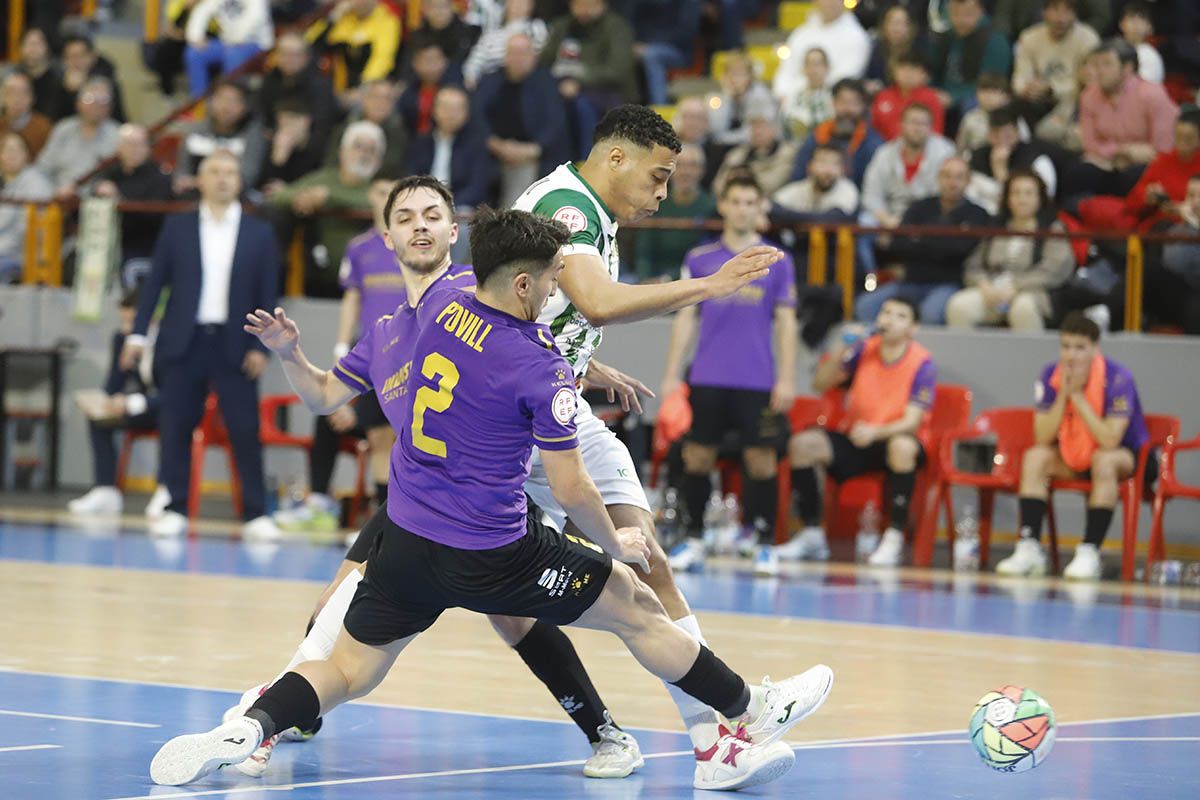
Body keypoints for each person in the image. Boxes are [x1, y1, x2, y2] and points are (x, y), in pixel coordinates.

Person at [150, 206, 832, 792]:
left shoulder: (434, 315)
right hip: (495, 549)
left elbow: (354, 389)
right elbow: (570, 486)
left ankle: (253, 724)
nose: (561, 289)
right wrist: (610, 542)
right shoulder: (537, 366)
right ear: (527, 282)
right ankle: (748, 710)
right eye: (557, 277)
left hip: (407, 543)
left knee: (348, 670)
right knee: (637, 606)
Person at [231, 176, 651, 780]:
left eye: (433, 215)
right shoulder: (389, 329)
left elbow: (536, 326)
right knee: (336, 606)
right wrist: (288, 353)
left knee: (518, 617)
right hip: (417, 493)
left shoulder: (467, 294)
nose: (420, 225)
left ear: (455, 234)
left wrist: (584, 364)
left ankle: (606, 730)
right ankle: (291, 713)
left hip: (490, 489)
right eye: (405, 218)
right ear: (388, 237)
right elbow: (325, 396)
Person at [512, 104, 800, 783]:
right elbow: (599, 302)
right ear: (617, 157)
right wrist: (712, 284)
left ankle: (717, 744)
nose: (663, 193)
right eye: (659, 175)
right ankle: (276, 708)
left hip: (561, 405)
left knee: (650, 565)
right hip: (519, 425)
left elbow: (551, 311)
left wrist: (583, 362)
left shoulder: (589, 211)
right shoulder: (568, 205)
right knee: (423, 594)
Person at [120, 150, 281, 540]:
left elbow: (269, 292)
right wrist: (138, 335)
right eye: (215, 172)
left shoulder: (260, 232)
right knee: (175, 425)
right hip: (184, 340)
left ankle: (256, 512)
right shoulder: (178, 227)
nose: (224, 179)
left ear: (239, 181)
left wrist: (263, 347)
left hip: (237, 343)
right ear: (201, 180)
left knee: (244, 429)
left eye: (230, 172)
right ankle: (175, 505)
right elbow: (155, 284)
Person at [660, 173, 798, 576]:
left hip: (756, 378)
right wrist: (671, 374)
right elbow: (686, 317)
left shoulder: (777, 260)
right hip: (706, 376)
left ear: (759, 208)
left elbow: (787, 323)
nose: (742, 208)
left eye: (749, 202)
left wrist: (787, 378)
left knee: (761, 462)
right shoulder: (700, 259)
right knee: (697, 457)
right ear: (722, 205)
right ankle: (695, 537)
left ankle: (763, 542)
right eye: (735, 201)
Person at [781, 296, 937, 567]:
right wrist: (842, 347)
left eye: (900, 316)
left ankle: (893, 538)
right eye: (886, 312)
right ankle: (812, 534)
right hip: (857, 437)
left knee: (902, 447)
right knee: (802, 445)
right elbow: (820, 384)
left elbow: (912, 421)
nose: (889, 319)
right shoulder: (863, 350)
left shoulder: (922, 363)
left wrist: (876, 432)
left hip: (893, 438)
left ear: (913, 329)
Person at [995, 312, 1150, 581]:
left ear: (1095, 348)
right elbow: (1043, 435)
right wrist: (1064, 395)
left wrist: (1078, 397)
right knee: (1035, 457)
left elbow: (1110, 440)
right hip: (1075, 454)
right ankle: (1028, 547)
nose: (1071, 355)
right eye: (1065, 346)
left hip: (1127, 459)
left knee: (1104, 459)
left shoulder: (1118, 378)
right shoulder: (1050, 375)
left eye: (1080, 348)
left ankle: (1090, 551)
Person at [855, 156, 989, 325]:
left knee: (930, 314)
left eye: (959, 177)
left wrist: (920, 239)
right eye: (947, 176)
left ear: (968, 181)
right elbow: (898, 244)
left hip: (948, 284)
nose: (952, 182)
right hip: (910, 281)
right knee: (866, 306)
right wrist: (943, 240)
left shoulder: (977, 213)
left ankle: (921, 352)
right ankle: (875, 350)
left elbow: (961, 250)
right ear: (938, 178)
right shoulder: (920, 207)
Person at [67, 289, 159, 516]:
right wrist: (105, 401)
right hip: (142, 408)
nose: (127, 326)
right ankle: (106, 490)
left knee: (172, 416)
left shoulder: (169, 339)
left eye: (132, 321)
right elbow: (112, 387)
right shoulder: (122, 339)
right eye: (123, 320)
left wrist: (131, 402)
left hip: (168, 407)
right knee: (99, 419)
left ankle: (166, 491)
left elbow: (175, 392)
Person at [946, 170, 1075, 331]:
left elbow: (1055, 269)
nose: (1022, 199)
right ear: (1007, 198)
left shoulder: (1052, 228)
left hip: (1033, 292)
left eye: (1028, 194)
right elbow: (973, 265)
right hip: (993, 291)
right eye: (1016, 193)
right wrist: (984, 285)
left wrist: (1015, 287)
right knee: (959, 306)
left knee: (1022, 308)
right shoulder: (996, 226)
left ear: (1040, 198)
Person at [270, 121, 383, 298]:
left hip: (367, 282)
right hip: (319, 272)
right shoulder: (325, 178)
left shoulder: (379, 186)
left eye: (371, 150)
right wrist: (304, 199)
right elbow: (279, 195)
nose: (364, 154)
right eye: (358, 147)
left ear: (379, 159)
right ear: (342, 152)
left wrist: (328, 198)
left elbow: (382, 203)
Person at [1062, 39, 1178, 203]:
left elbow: (1163, 149)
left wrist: (1128, 155)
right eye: (1097, 65)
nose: (1099, 71)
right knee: (1077, 172)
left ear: (1127, 68)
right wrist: (1122, 150)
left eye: (1107, 65)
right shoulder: (1089, 95)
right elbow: (1089, 144)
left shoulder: (1153, 95)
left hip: (1142, 167)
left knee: (1137, 175)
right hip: (1105, 164)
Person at [475, 32, 571, 208]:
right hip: (491, 150)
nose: (518, 58)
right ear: (505, 56)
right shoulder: (490, 81)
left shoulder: (546, 82)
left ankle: (512, 225)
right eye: (513, 52)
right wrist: (496, 144)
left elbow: (555, 124)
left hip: (531, 154)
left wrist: (532, 150)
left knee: (521, 178)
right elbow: (477, 118)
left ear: (533, 57)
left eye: (523, 53)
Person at [91, 123, 175, 288]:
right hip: (107, 245)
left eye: (140, 144)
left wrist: (119, 200)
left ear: (148, 148)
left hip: (144, 247)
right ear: (119, 148)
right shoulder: (109, 173)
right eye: (129, 144)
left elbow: (153, 220)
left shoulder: (159, 177)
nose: (134, 149)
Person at [1011, 0, 1100, 138]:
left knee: (1049, 131)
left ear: (1075, 14)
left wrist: (1051, 88)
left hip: (1072, 100)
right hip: (1035, 99)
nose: (1061, 18)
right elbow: (1019, 78)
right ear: (1044, 12)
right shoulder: (1029, 37)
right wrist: (1026, 88)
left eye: (1067, 11)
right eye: (1055, 10)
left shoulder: (1088, 39)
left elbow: (1088, 82)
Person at [633, 143, 716, 282]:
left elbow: (704, 256)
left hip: (693, 280)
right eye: (680, 165)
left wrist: (667, 279)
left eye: (692, 165)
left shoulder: (711, 207)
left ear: (702, 170)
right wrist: (644, 279)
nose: (685, 172)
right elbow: (644, 250)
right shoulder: (655, 202)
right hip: (649, 280)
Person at [173, 80, 266, 196]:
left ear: (244, 107)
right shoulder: (194, 130)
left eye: (234, 101)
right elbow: (182, 171)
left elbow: (248, 177)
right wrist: (184, 181)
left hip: (238, 197)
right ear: (211, 101)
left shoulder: (254, 134)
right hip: (194, 196)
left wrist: (201, 182)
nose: (226, 106)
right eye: (222, 98)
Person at [789, 79, 884, 190]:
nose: (847, 109)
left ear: (863, 106)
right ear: (833, 103)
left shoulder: (873, 144)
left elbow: (872, 188)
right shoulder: (817, 136)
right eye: (842, 102)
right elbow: (798, 177)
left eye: (854, 103)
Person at [772, 0, 869, 106]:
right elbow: (786, 71)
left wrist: (808, 94)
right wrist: (787, 95)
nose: (829, 3)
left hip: (832, 107)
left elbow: (844, 79)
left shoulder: (856, 36)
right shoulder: (801, 34)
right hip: (794, 104)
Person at [966, 105, 1058, 216]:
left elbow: (1043, 200)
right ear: (988, 135)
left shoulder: (1037, 160)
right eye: (996, 135)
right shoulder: (975, 156)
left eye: (1007, 135)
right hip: (983, 216)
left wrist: (1000, 171)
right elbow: (970, 193)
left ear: (1017, 133)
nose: (1002, 141)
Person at [35, 76, 119, 197]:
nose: (96, 105)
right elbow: (42, 169)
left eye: (103, 100)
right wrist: (54, 190)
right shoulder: (63, 130)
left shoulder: (117, 135)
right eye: (90, 99)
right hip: (60, 200)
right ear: (78, 103)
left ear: (110, 106)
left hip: (98, 204)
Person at [928, 0, 1012, 116]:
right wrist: (931, 91)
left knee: (971, 104)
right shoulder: (944, 36)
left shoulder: (995, 41)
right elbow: (931, 70)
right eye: (955, 12)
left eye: (968, 12)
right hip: (942, 93)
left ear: (980, 11)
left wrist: (954, 97)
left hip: (972, 98)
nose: (960, 17)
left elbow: (992, 83)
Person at [711, 95, 799, 198]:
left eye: (762, 127)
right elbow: (717, 186)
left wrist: (740, 177)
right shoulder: (737, 154)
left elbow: (773, 183)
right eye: (754, 127)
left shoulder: (787, 153)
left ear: (775, 129)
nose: (757, 132)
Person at [307, 0, 402, 92]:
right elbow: (311, 41)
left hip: (365, 86)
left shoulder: (387, 20)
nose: (359, 2)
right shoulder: (345, 17)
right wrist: (334, 16)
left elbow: (382, 59)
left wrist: (363, 88)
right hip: (334, 84)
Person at [184, 0, 273, 97]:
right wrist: (196, 37)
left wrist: (235, 41)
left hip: (256, 44)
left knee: (233, 54)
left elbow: (255, 17)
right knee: (194, 53)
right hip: (227, 43)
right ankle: (198, 99)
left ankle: (227, 100)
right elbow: (201, 10)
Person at [0, 133, 52, 282]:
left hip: (20, 256)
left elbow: (26, 232)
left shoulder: (36, 184)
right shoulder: (3, 180)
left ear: (27, 155)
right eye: (7, 150)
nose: (12, 155)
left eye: (17, 150)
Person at [462, 0, 548, 89]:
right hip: (489, 82)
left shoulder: (537, 28)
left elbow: (539, 58)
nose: (517, 6)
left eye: (522, 2)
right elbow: (473, 64)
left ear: (531, 6)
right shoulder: (491, 35)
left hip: (524, 82)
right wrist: (471, 78)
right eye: (513, 2)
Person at [631, 0, 700, 106]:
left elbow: (686, 32)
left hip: (679, 51)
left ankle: (660, 109)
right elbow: (637, 24)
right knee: (625, 51)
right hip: (645, 45)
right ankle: (627, 108)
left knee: (652, 55)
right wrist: (637, 43)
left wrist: (649, 45)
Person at [870, 53, 945, 142]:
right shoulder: (883, 96)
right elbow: (874, 128)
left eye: (913, 70)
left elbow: (936, 132)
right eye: (903, 69)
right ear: (894, 72)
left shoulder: (931, 98)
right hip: (885, 148)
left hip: (920, 148)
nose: (908, 74)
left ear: (924, 75)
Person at [782, 47, 835, 140]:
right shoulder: (793, 97)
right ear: (803, 69)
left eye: (817, 64)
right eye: (808, 64)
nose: (813, 69)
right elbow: (785, 125)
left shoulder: (835, 96)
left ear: (827, 67)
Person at [0, 71, 53, 158]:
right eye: (11, 92)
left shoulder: (44, 127)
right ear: (2, 97)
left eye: (23, 93)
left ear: (32, 98)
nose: (17, 99)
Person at [1119, 2, 1164, 84]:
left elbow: (1144, 88)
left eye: (1142, 19)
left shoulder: (1150, 56)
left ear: (1150, 29)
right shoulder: (1112, 49)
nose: (1136, 23)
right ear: (1121, 24)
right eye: (1131, 18)